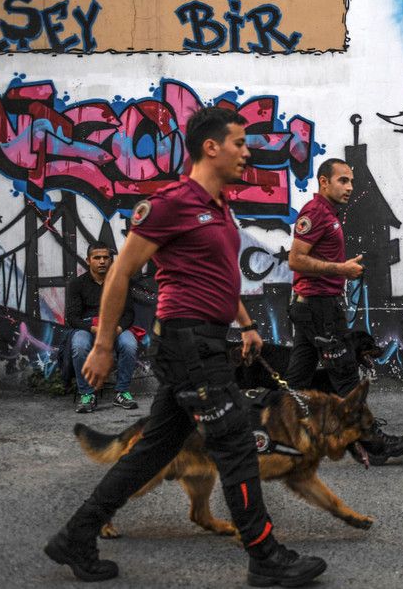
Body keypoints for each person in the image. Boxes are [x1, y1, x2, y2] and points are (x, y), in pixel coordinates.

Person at [45, 107, 326, 587]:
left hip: (205, 341)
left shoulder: (219, 207)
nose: (247, 152)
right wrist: (104, 345)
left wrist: (246, 324)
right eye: (239, 143)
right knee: (236, 443)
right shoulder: (171, 203)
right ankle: (265, 557)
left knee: (156, 448)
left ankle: (77, 534)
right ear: (211, 147)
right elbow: (120, 272)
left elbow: (216, 276)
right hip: (189, 344)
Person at [284, 157, 403, 465]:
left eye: (352, 181)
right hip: (319, 307)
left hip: (314, 307)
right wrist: (340, 269)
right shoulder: (315, 213)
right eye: (343, 180)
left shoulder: (329, 214)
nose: (350, 187)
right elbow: (295, 259)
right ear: (324, 182)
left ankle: (276, 437)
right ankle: (374, 445)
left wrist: (340, 270)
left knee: (297, 378)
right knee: (345, 376)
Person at [65, 241, 139, 413]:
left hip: (115, 326)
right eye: (97, 258)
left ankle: (122, 392)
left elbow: (129, 314)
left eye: (106, 257)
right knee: (79, 346)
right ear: (88, 260)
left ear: (111, 260)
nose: (102, 261)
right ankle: (87, 394)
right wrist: (94, 329)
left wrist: (118, 329)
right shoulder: (77, 284)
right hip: (88, 327)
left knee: (129, 344)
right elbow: (72, 318)